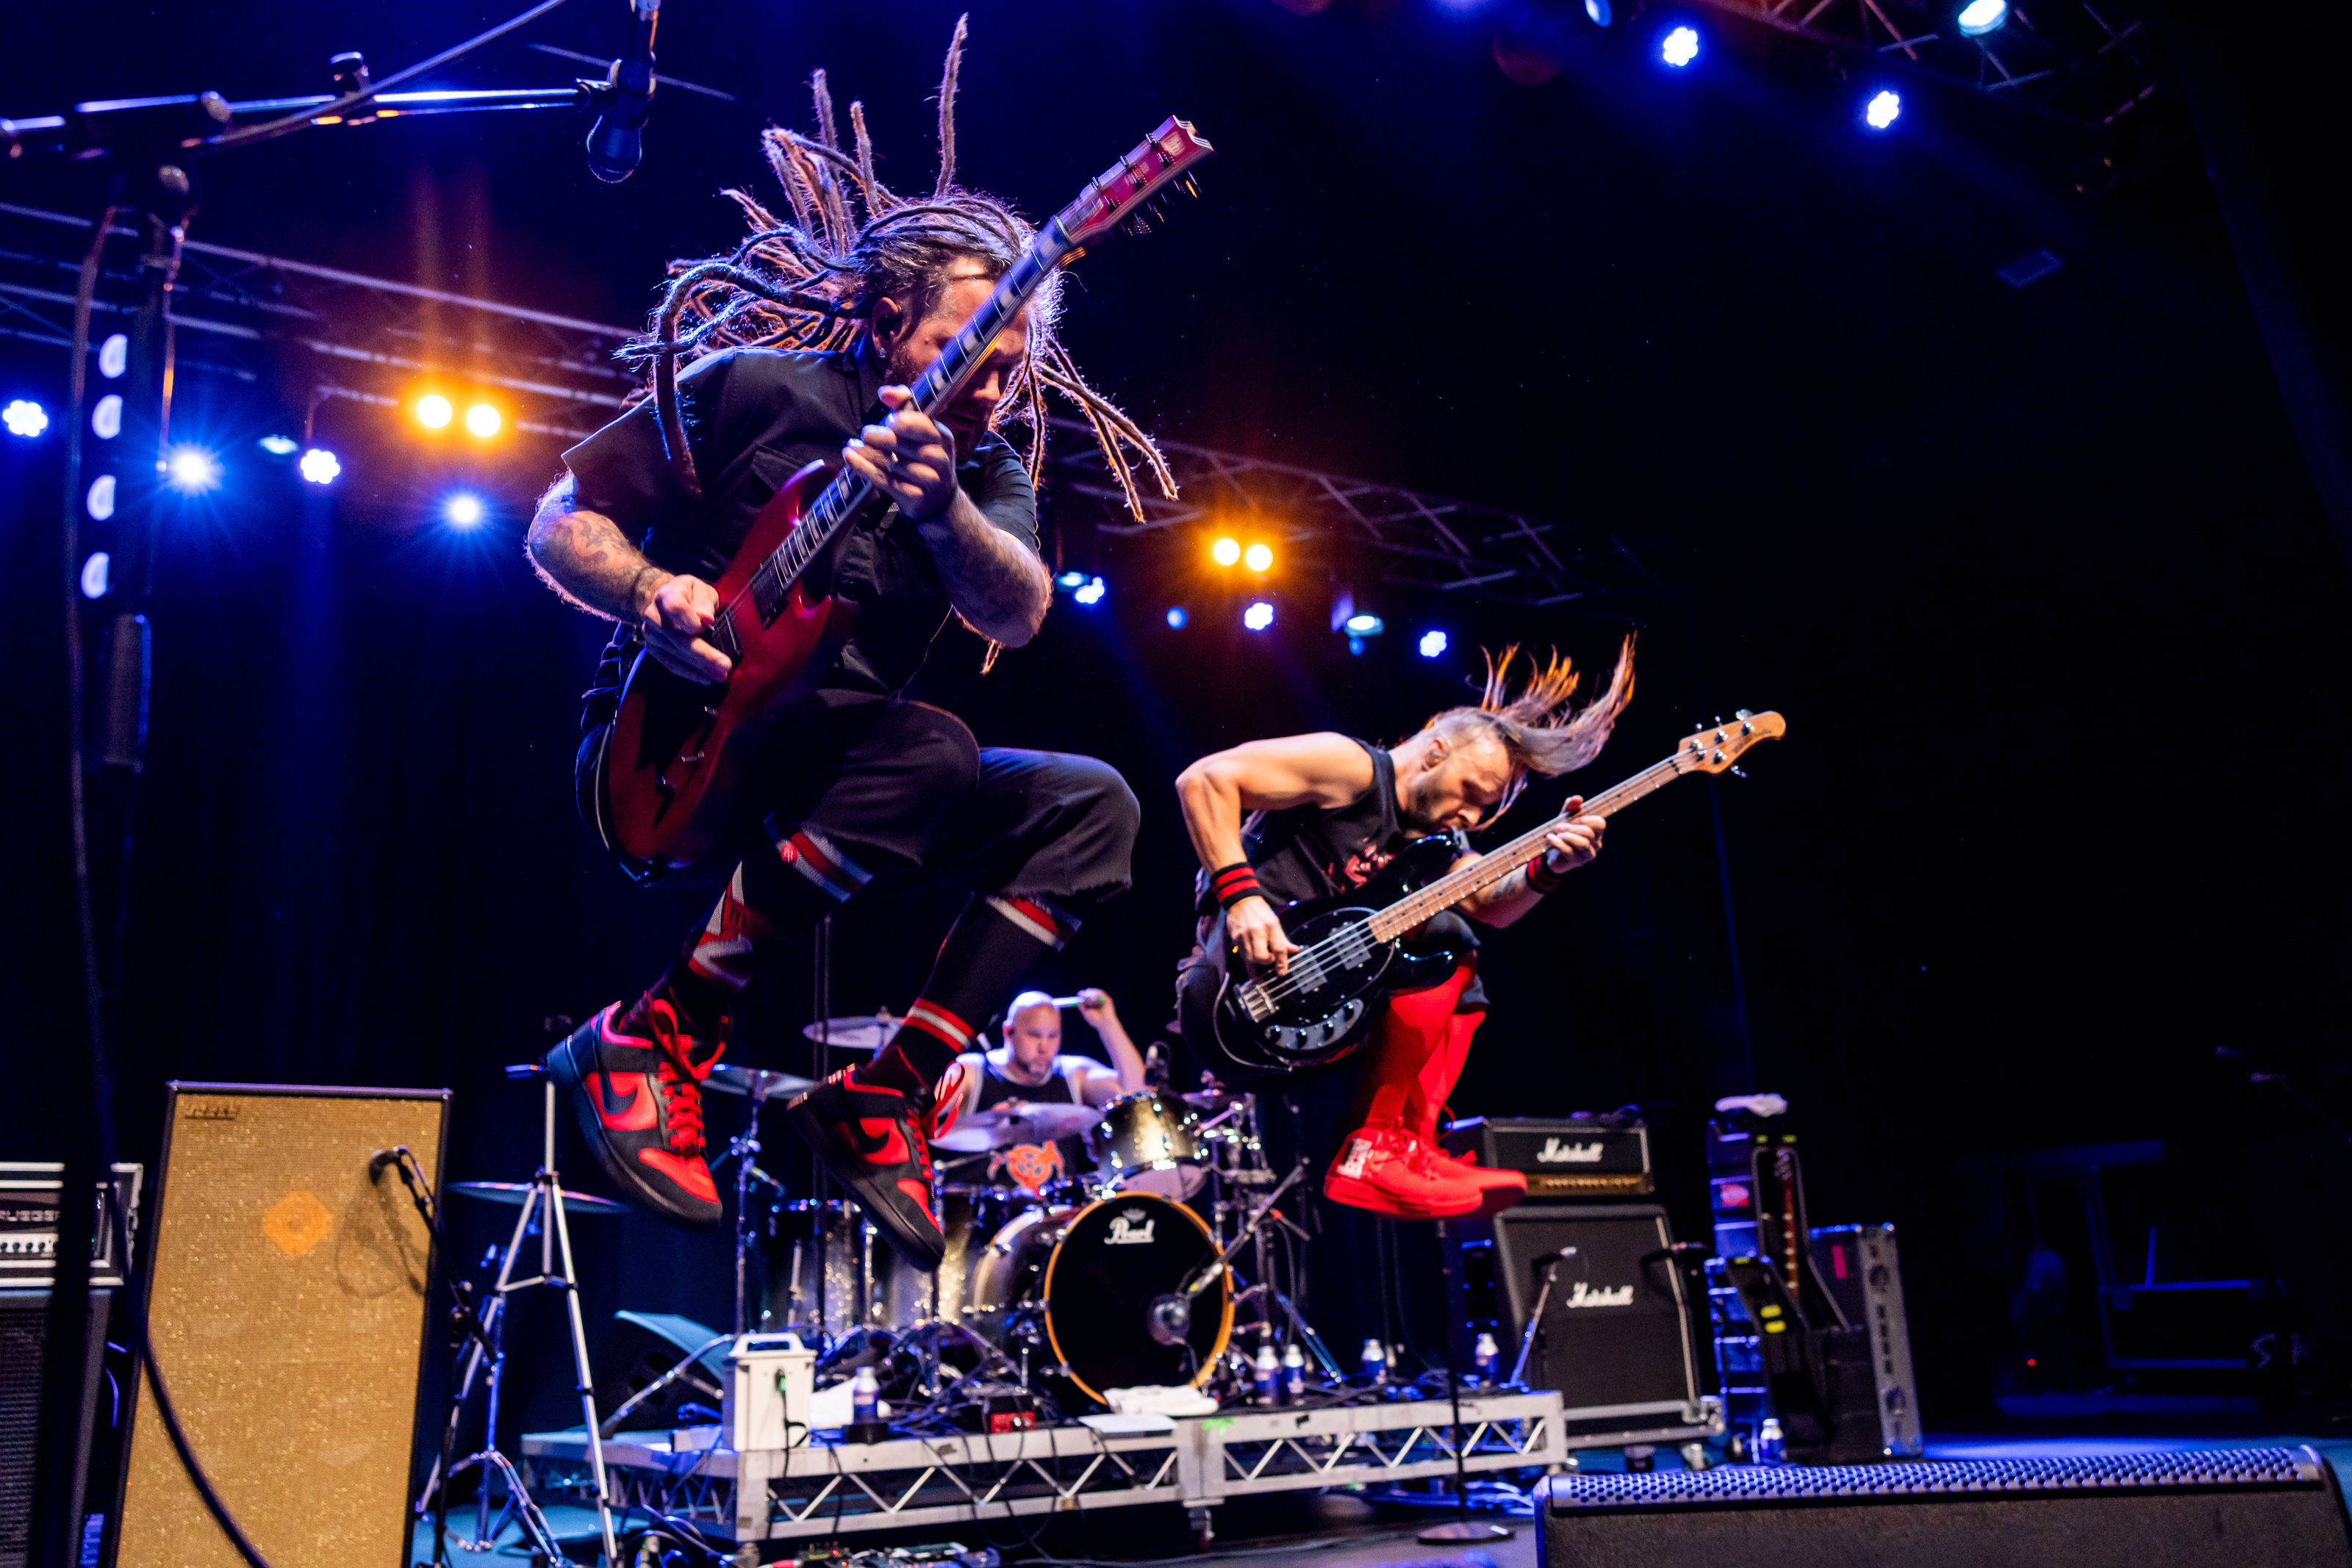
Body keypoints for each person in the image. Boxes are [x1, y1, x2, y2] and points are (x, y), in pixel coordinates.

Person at [522, 37, 1167, 1268]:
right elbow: (561, 521)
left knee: (1091, 805)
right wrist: (655, 591)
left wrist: (946, 510)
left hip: (843, 772)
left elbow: (1018, 611)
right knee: (930, 750)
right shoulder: (750, 389)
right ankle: (657, 1034)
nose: (994, 388)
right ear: (884, 323)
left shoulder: (981, 466)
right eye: (968, 355)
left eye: (1013, 365)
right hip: (674, 754)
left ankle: (886, 1096)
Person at [1173, 645, 1634, 1220]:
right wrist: (1242, 898)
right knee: (1446, 934)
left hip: (1317, 1022)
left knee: (1458, 959)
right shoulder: (1352, 768)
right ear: (1436, 751)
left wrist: (1552, 866)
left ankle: (1399, 1144)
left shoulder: (1436, 844)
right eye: (1470, 792)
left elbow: (1489, 902)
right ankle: (1372, 1150)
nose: (1473, 817)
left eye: (1486, 806)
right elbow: (1205, 780)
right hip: (1235, 1001)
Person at [938, 989, 1144, 1194]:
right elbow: (927, 1103)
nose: (1044, 1047)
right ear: (1008, 1032)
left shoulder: (1073, 1074)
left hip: (1056, 1212)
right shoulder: (972, 1072)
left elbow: (1136, 1094)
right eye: (1034, 1035)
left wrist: (1107, 1024)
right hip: (984, 1211)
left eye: (1053, 1036)